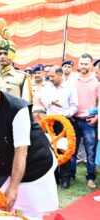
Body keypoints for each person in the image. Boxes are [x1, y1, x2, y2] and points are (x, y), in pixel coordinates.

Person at [0, 72, 58, 218]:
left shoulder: (17, 109)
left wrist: (13, 187)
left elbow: (21, 151)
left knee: (32, 212)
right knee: (2, 209)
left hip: (34, 163)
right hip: (2, 166)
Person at [41, 66, 78, 189]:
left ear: (60, 75)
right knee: (51, 150)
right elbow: (43, 101)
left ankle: (65, 179)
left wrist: (64, 114)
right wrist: (51, 102)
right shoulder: (47, 87)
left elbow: (74, 106)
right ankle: (54, 177)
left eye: (53, 76)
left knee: (63, 150)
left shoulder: (70, 88)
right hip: (49, 124)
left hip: (64, 123)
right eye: (49, 76)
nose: (50, 78)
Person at [71, 53, 99, 189]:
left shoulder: (96, 81)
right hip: (73, 120)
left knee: (90, 151)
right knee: (72, 150)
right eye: (81, 63)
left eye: (85, 64)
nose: (83, 66)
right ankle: (71, 175)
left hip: (90, 122)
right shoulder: (72, 80)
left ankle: (91, 177)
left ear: (91, 64)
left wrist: (97, 117)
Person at [0, 18, 32, 103]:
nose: (2, 56)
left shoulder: (22, 77)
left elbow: (27, 102)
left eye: (5, 53)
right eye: (0, 54)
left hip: (15, 115)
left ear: (12, 55)